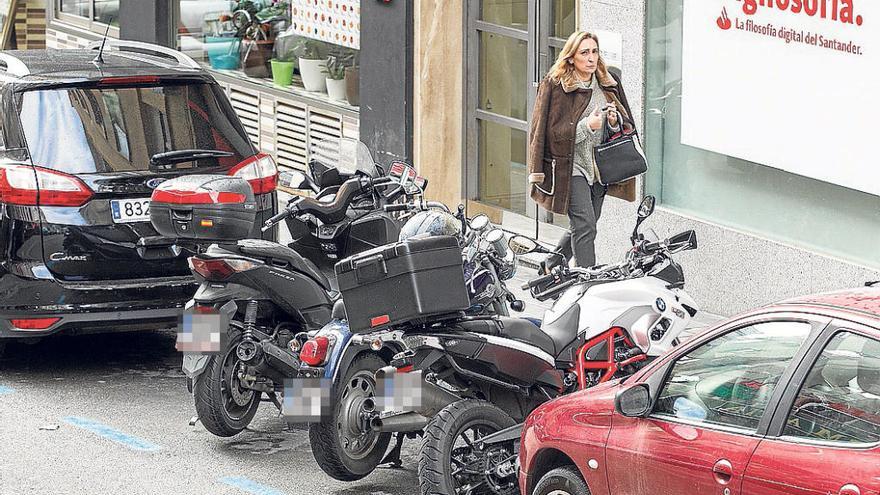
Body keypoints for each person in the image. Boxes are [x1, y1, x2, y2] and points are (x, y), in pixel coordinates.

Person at [527, 31, 637, 269]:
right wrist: (587, 127)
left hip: (599, 167)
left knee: (588, 223)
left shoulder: (609, 81)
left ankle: (552, 262)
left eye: (594, 52)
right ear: (571, 57)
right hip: (571, 167)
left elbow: (628, 124)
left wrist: (614, 122)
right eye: (584, 52)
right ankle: (587, 282)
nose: (591, 58)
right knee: (585, 225)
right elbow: (549, 135)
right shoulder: (556, 85)